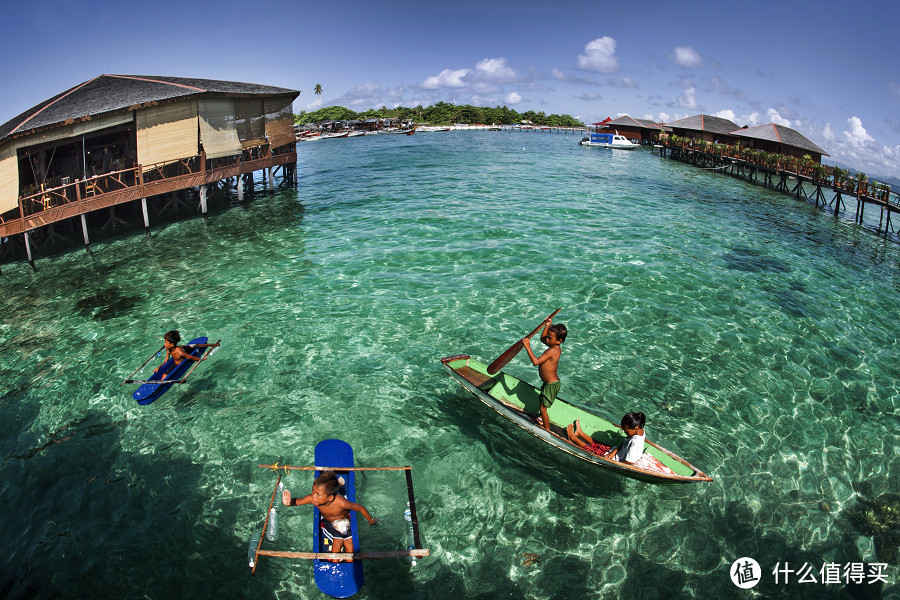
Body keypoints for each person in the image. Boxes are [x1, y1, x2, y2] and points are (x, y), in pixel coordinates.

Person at [282, 470, 378, 561]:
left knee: (349, 543)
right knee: (338, 541)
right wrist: (289, 503)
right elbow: (298, 501)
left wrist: (371, 520)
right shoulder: (313, 499)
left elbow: (360, 508)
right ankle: (334, 563)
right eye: (313, 491)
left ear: (330, 498)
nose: (313, 496)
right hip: (328, 522)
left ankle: (350, 565)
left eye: (318, 494)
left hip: (344, 520)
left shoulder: (341, 502)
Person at [521, 317, 567, 432]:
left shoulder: (553, 350)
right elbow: (543, 338)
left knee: (543, 408)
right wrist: (547, 325)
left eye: (550, 338)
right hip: (549, 383)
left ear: (559, 340)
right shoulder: (554, 346)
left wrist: (528, 347)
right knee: (542, 402)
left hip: (551, 385)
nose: (547, 339)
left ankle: (546, 430)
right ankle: (541, 419)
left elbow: (536, 362)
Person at [567, 412, 646, 464]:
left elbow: (629, 462)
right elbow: (625, 443)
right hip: (615, 452)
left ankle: (573, 437)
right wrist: (614, 452)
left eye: (626, 430)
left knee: (591, 449)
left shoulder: (635, 443)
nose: (624, 432)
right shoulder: (639, 431)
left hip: (615, 460)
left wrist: (611, 463)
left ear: (635, 428)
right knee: (598, 444)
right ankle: (580, 433)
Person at [154, 330, 219, 380]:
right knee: (189, 346)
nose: (164, 344)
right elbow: (166, 361)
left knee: (196, 346)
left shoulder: (179, 352)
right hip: (175, 364)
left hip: (180, 364)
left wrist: (201, 359)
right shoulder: (169, 349)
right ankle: (208, 345)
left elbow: (190, 357)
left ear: (172, 344)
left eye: (166, 342)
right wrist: (159, 367)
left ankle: (212, 344)